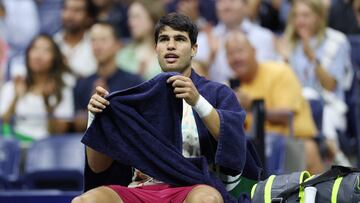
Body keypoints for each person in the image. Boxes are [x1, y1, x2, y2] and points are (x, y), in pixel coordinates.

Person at [72, 13, 258, 203]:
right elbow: (97, 167)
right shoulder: (136, 98)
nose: (171, 45)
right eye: (164, 39)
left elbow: (234, 142)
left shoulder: (218, 93)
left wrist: (197, 101)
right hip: (141, 189)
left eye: (179, 39)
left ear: (194, 49)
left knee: (206, 200)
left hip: (192, 187)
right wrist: (95, 118)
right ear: (156, 49)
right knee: (83, 201)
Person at [225, 30, 324, 174]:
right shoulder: (232, 87)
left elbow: (286, 116)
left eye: (240, 51)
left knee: (308, 149)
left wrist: (252, 106)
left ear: (254, 51)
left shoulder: (279, 71)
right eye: (230, 54)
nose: (235, 58)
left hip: (291, 143)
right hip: (253, 152)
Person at [278, 0, 353, 166]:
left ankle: (335, 160)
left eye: (306, 15)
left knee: (318, 108)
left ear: (320, 17)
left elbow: (331, 86)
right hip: (296, 106)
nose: (300, 21)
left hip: (330, 106)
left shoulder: (336, 41)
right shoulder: (288, 42)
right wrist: (284, 60)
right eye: (296, 16)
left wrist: (313, 58)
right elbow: (284, 85)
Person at [0, 34, 74, 144]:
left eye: (46, 50)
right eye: (35, 49)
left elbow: (60, 131)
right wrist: (16, 98)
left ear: (54, 58)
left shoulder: (62, 89)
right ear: (28, 54)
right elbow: (3, 122)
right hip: (16, 146)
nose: (38, 55)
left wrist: (48, 104)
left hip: (47, 147)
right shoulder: (12, 86)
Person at [73, 22, 143, 132]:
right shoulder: (82, 83)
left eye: (103, 40)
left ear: (118, 45)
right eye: (93, 40)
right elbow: (78, 127)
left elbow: (137, 123)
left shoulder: (134, 82)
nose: (97, 45)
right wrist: (91, 107)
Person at [193, 0, 278, 82]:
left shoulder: (265, 37)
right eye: (221, 1)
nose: (226, 6)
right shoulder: (202, 40)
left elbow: (268, 76)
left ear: (245, 5)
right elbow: (196, 82)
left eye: (232, 0)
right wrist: (211, 56)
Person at [116, 0, 165, 80]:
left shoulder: (168, 52)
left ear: (153, 18)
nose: (130, 23)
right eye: (130, 17)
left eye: (136, 17)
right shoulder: (124, 54)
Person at [54, 0, 97, 80]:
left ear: (89, 17)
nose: (69, 15)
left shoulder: (95, 43)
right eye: (66, 9)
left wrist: (67, 67)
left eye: (77, 10)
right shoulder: (53, 43)